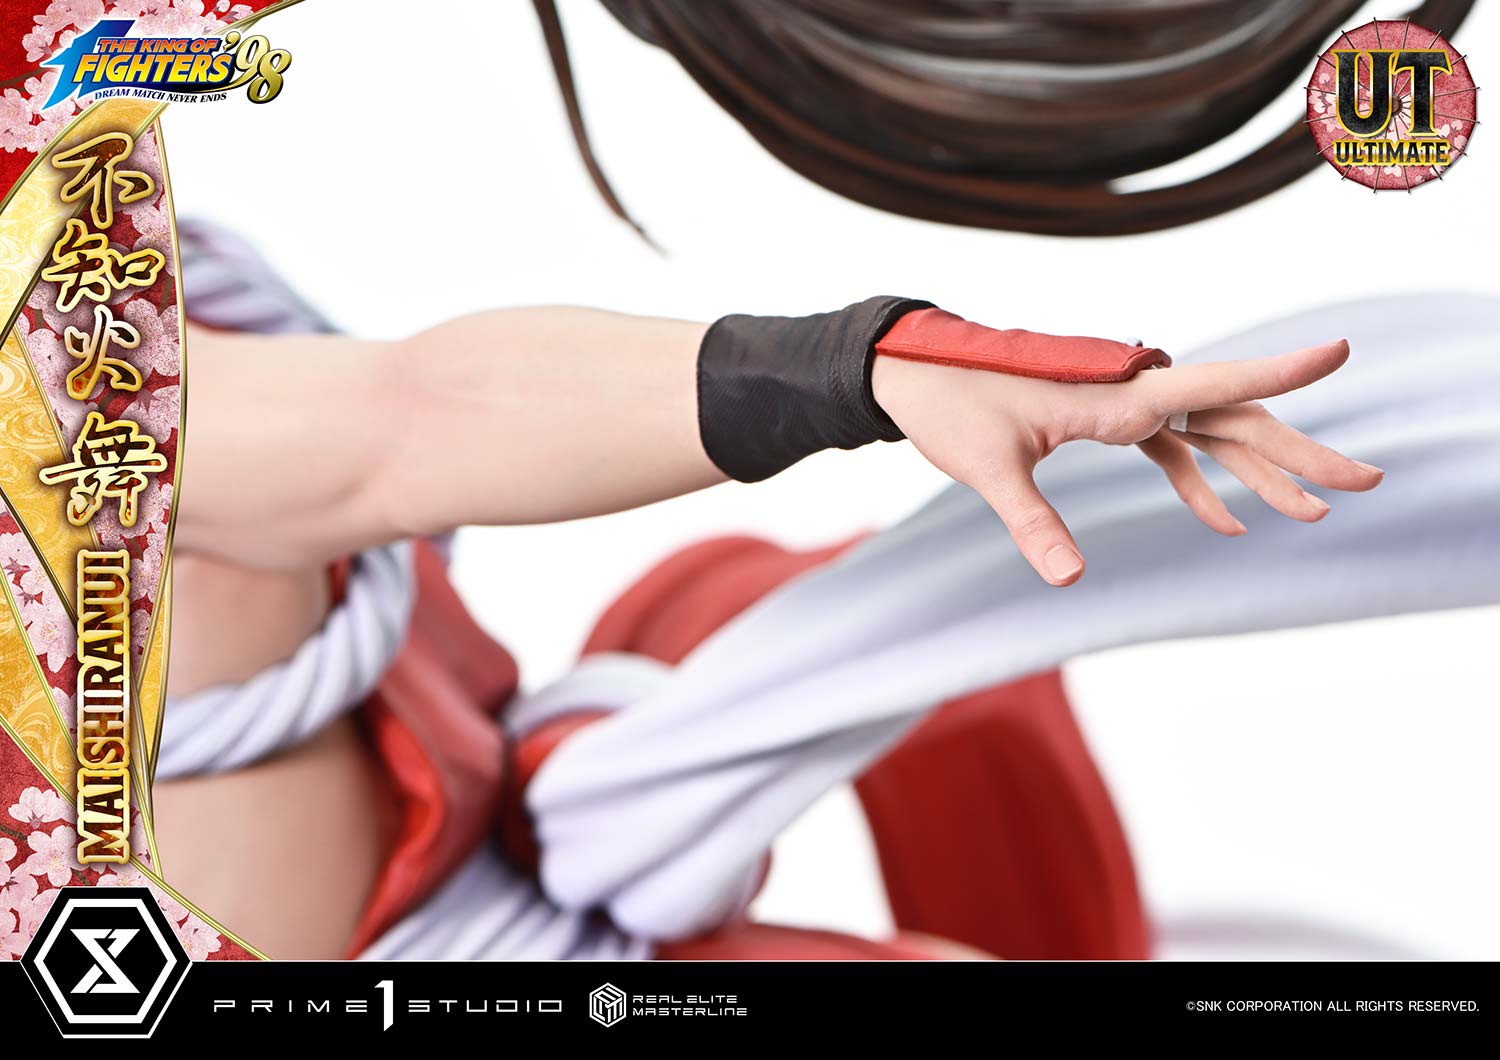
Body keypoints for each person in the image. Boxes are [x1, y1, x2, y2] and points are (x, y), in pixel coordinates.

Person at [149, 221, 1387, 960]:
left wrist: (876, 365)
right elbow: (404, 425)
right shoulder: (81, 370)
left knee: (869, 626)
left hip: (508, 861)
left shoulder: (123, 217)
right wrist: (859, 367)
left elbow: (389, 424)